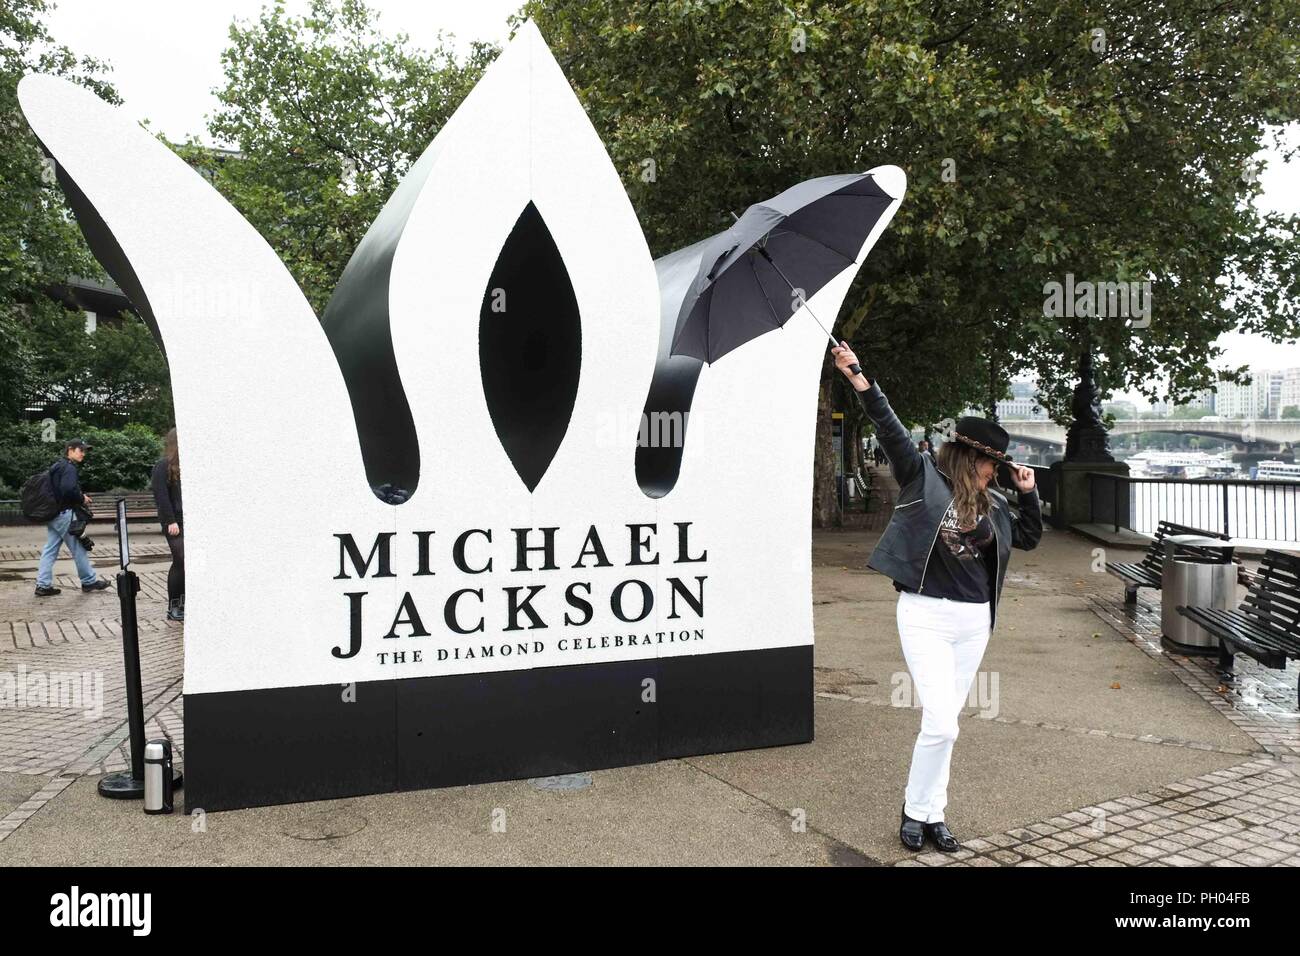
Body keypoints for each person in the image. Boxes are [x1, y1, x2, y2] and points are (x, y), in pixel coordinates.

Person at [831, 341, 1042, 854]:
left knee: (945, 725)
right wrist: (859, 377)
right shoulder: (922, 476)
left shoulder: (993, 502)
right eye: (993, 463)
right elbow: (890, 428)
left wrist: (1029, 491)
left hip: (975, 620)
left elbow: (1032, 538)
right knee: (942, 722)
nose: (997, 471)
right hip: (925, 614)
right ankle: (915, 808)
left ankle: (932, 814)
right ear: (972, 457)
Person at [35, 439, 111, 596]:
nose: (83, 454)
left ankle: (43, 585)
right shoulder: (69, 467)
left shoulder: (57, 465)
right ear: (70, 450)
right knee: (79, 547)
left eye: (84, 451)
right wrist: (82, 498)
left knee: (50, 549)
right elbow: (68, 489)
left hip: (53, 514)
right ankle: (89, 581)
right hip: (64, 514)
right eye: (80, 450)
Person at [151, 427, 184, 622]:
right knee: (180, 559)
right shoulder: (162, 466)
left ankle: (184, 602)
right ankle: (174, 606)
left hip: (187, 521)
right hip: (174, 522)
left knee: (187, 563)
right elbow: (161, 497)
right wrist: (170, 520)